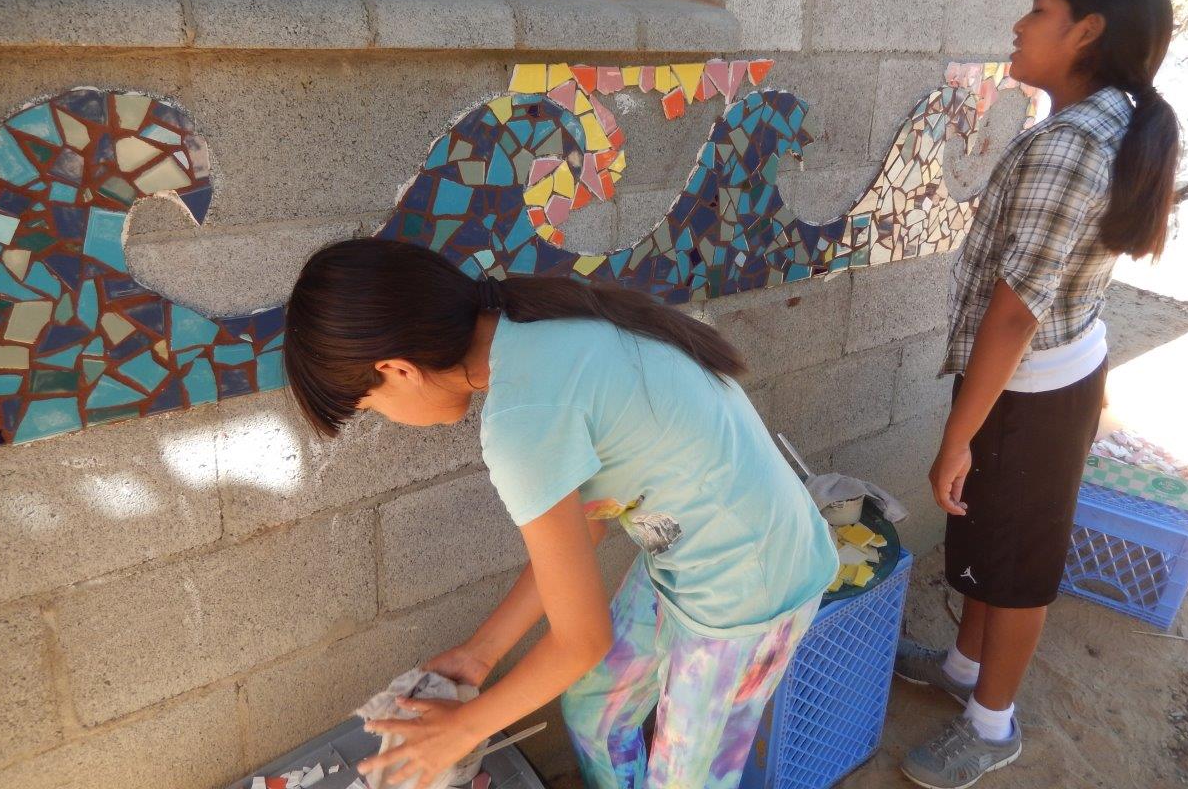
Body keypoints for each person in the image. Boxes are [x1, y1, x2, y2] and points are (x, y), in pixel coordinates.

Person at [282, 240, 839, 789]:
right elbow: (589, 524)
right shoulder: (533, 324)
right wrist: (481, 655)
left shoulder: (522, 421)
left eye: (369, 404)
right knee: (597, 710)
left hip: (756, 580)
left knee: (686, 779)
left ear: (397, 370)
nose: (385, 415)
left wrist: (458, 733)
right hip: (688, 546)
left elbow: (581, 640)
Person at [894, 0, 1182, 789]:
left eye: (1040, 10)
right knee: (984, 535)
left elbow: (1017, 311)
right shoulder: (1105, 124)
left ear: (1086, 31)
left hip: (1037, 385)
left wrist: (958, 435)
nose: (1019, 26)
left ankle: (992, 724)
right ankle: (961, 668)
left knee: (1016, 564)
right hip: (1039, 376)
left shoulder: (1072, 144)